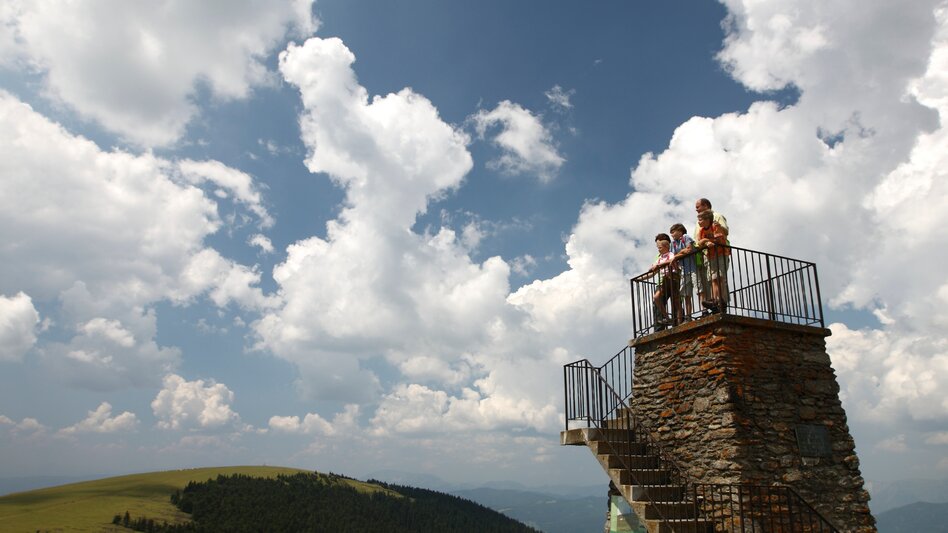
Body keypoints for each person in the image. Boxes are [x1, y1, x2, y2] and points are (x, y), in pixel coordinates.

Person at [693, 198, 730, 307]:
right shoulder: (700, 224)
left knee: (719, 277)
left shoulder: (716, 216)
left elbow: (725, 232)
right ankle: (714, 302)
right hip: (706, 254)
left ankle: (721, 303)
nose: (696, 210)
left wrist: (711, 237)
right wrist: (704, 242)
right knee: (712, 279)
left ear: (705, 205)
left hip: (719, 251)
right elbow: (699, 240)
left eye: (698, 207)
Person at [648, 233, 679, 330]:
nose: (658, 248)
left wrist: (659, 266)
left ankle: (677, 322)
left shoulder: (672, 251)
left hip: (672, 278)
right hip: (662, 281)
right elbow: (654, 271)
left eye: (659, 246)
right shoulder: (659, 256)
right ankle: (660, 325)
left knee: (676, 300)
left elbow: (673, 262)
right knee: (658, 300)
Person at [669, 223, 696, 321]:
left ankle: (704, 311)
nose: (672, 235)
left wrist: (677, 256)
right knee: (686, 294)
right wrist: (678, 256)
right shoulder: (673, 243)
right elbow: (673, 257)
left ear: (680, 230)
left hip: (693, 267)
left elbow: (689, 250)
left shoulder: (686, 237)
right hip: (683, 270)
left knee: (699, 289)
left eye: (673, 232)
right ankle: (688, 316)